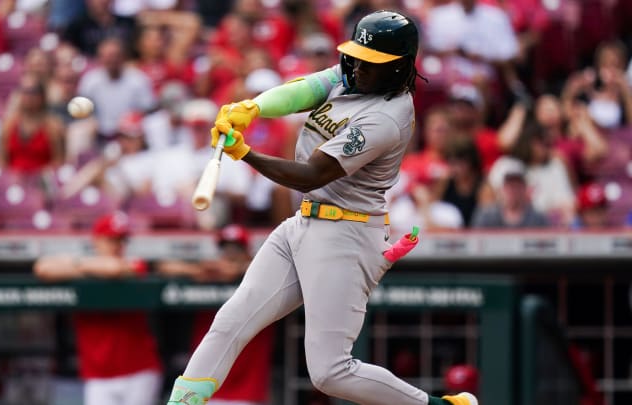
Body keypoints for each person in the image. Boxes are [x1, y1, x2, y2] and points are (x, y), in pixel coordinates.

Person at [166, 10, 477, 405]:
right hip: (304, 224)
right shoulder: (355, 73)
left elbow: (311, 174)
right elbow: (304, 90)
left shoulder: (387, 116)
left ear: (399, 68)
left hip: (345, 236)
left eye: (373, 63)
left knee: (331, 372)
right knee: (231, 319)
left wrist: (244, 153)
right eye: (357, 56)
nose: (358, 67)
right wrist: (254, 107)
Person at [33, 212, 163, 405]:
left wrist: (75, 264)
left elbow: (114, 269)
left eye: (122, 240)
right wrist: (86, 267)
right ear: (97, 241)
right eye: (112, 240)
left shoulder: (134, 263)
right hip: (99, 374)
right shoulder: (87, 267)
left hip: (139, 370)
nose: (119, 246)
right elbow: (42, 268)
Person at [157, 224, 276, 405]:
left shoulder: (261, 275)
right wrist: (197, 270)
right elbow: (162, 266)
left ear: (247, 251)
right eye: (225, 248)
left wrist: (239, 268)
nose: (230, 254)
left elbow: (274, 267)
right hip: (207, 385)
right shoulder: (207, 273)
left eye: (236, 249)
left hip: (248, 387)